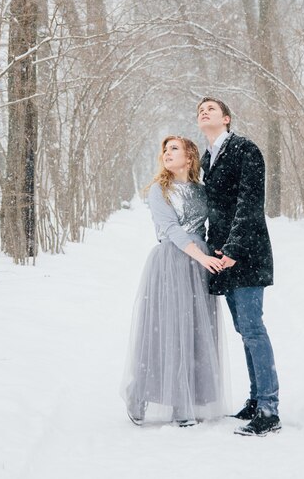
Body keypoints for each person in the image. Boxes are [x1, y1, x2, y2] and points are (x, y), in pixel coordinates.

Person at [121, 135, 229, 427]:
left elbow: (215, 224)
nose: (167, 154)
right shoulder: (160, 190)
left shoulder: (202, 191)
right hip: (171, 262)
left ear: (189, 157)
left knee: (194, 330)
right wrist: (200, 256)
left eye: (174, 149)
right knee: (166, 329)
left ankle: (185, 401)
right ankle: (139, 393)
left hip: (198, 266)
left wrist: (218, 253)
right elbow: (170, 229)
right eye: (165, 150)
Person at [197, 97, 281, 436]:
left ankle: (269, 409)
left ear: (227, 119)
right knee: (242, 330)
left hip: (246, 253)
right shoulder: (207, 158)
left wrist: (233, 248)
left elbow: (250, 203)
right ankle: (254, 399)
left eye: (211, 109)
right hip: (222, 256)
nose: (204, 112)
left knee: (253, 328)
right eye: (200, 110)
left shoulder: (246, 150)